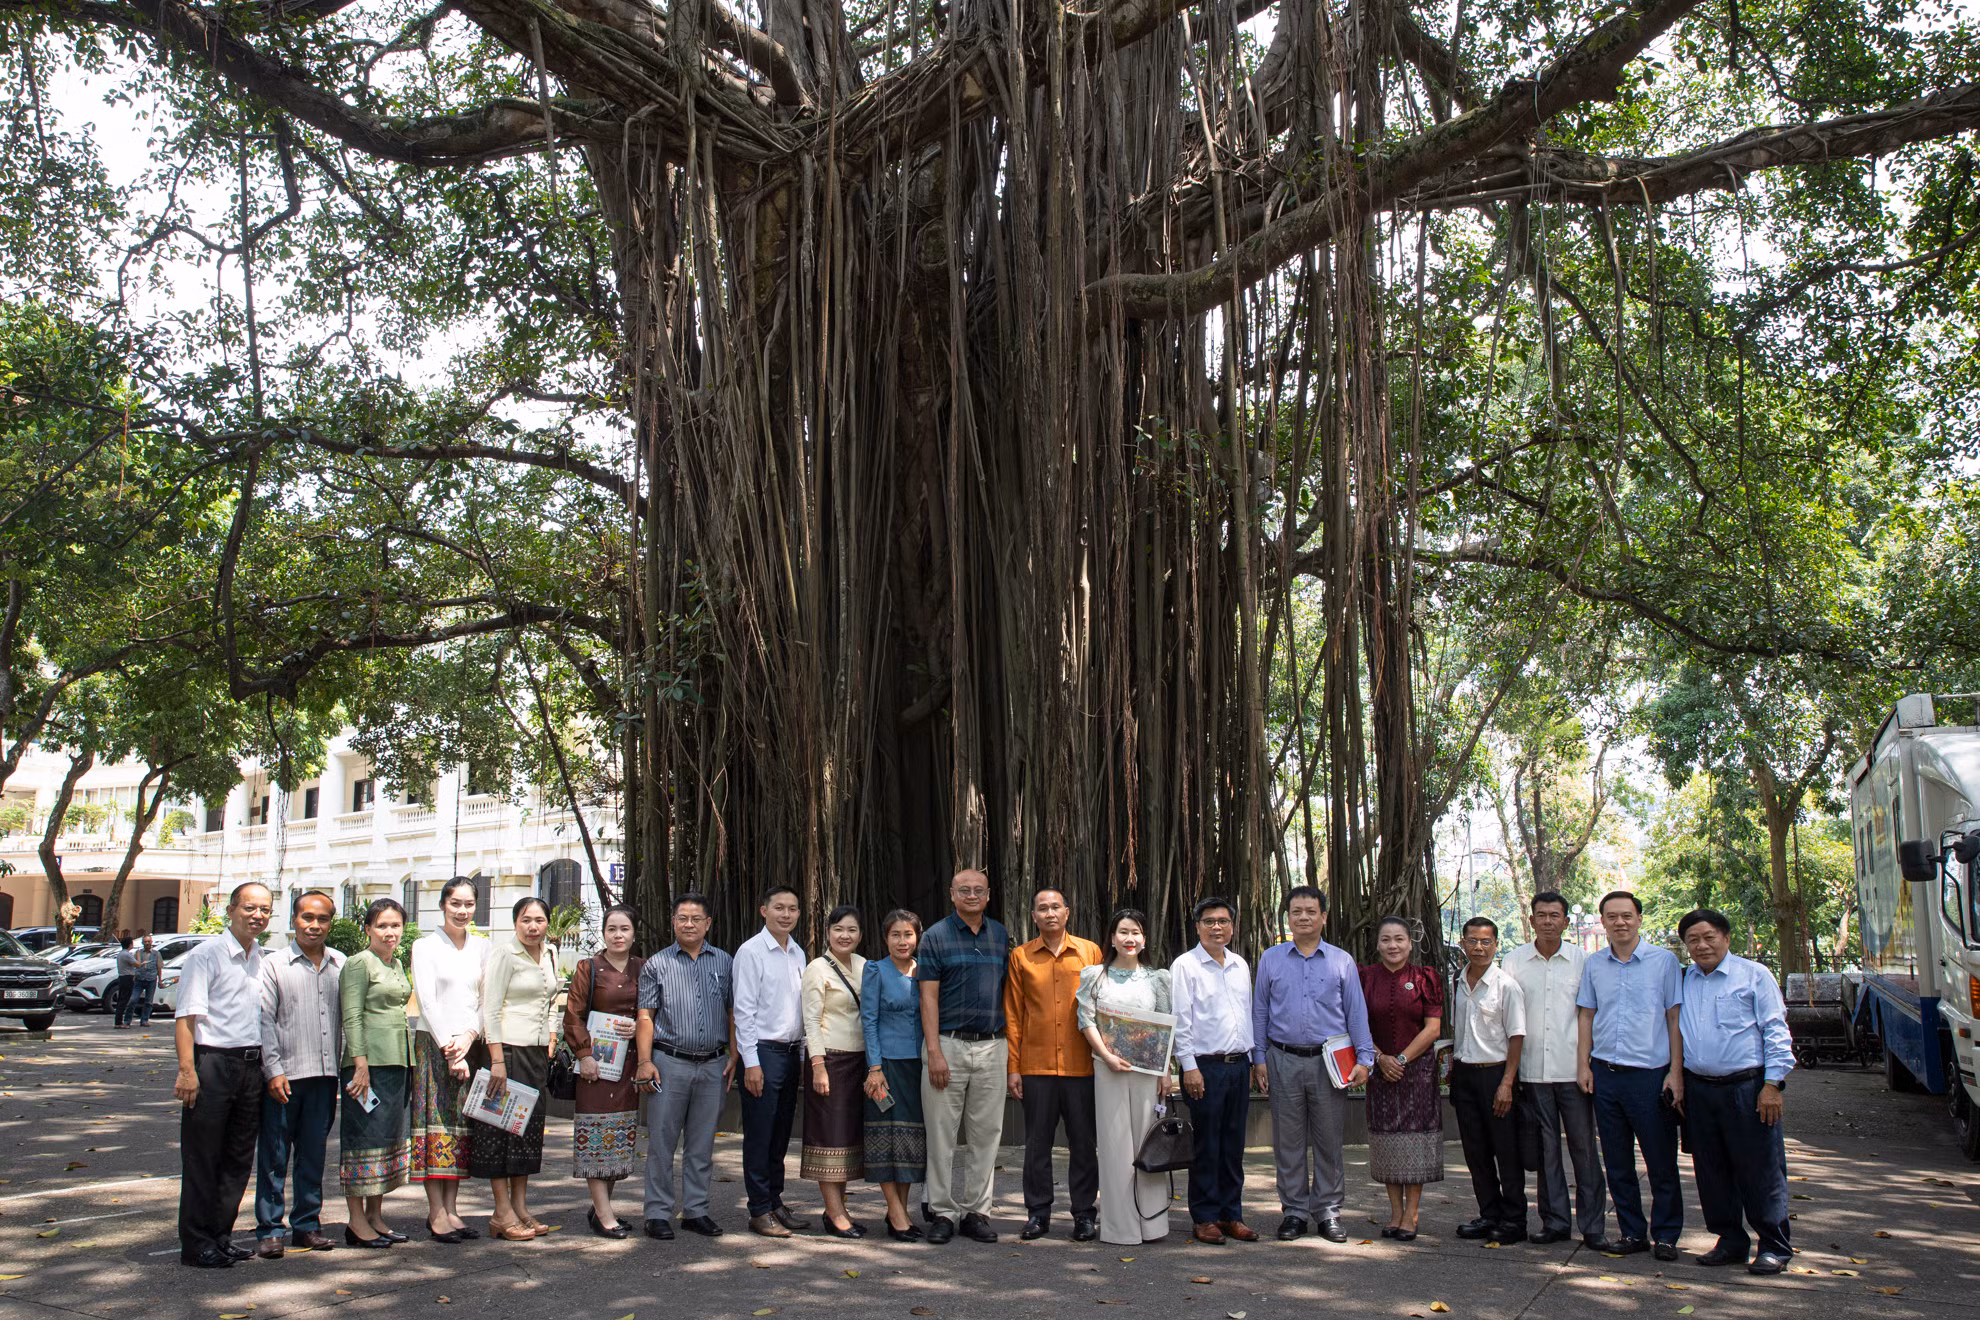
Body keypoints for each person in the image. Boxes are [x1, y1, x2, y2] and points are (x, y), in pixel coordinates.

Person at [1251, 884, 1372, 1243]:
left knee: (1329, 1140)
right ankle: (1294, 1212)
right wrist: (1259, 1058)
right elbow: (1259, 1011)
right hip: (1283, 1058)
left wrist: (1365, 1059)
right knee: (1287, 1142)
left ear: (1323, 917)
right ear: (1287, 918)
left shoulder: (1341, 960)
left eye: (1310, 911)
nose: (1303, 917)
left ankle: (1328, 1212)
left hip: (1329, 1063)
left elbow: (1356, 1012)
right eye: (1296, 912)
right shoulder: (1271, 958)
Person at [1676, 908, 1795, 1275]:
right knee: (1711, 1171)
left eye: (1709, 936)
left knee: (1760, 1170)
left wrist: (1773, 1085)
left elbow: (1776, 1031)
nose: (1701, 945)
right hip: (1699, 1089)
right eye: (1693, 939)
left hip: (1747, 1088)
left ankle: (1774, 1245)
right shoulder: (1685, 980)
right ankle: (1729, 1240)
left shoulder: (1754, 975)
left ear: (1726, 938)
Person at [1576, 890, 1684, 1260]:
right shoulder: (1594, 964)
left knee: (1660, 1161)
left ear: (1639, 918)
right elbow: (1586, 1016)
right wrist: (1583, 1066)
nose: (1619, 922)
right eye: (1612, 916)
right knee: (1618, 1161)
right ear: (1602, 921)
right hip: (1606, 1075)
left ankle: (1667, 1235)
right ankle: (1632, 1232)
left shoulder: (1663, 962)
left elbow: (1674, 1018)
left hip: (1650, 1077)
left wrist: (1675, 1071)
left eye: (1626, 915)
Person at [174, 882, 274, 1268]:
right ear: (231, 910)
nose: (258, 915)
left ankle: (220, 1235)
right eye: (250, 907)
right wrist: (187, 1071)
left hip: (252, 1067)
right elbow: (186, 1020)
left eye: (265, 909)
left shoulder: (261, 958)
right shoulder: (207, 956)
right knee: (203, 1157)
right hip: (213, 1063)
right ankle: (196, 1242)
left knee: (237, 1157)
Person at [1505, 891, 1611, 1249]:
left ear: (1566, 922)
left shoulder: (1585, 962)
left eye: (1555, 915)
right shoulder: (1514, 961)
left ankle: (1593, 1224)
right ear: (1531, 920)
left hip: (1574, 1071)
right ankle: (1555, 1222)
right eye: (1541, 915)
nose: (1548, 921)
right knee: (1546, 1150)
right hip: (1533, 1071)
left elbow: (1590, 1015)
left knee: (1584, 1149)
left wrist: (1587, 1065)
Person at [917, 868, 1012, 1245]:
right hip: (948, 1045)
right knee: (941, 1135)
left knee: (986, 1135)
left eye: (979, 890)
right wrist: (935, 1052)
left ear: (988, 895)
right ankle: (942, 1211)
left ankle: (977, 1211)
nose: (972, 895)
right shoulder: (935, 936)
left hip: (992, 1045)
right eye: (964, 890)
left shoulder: (1000, 935)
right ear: (951, 894)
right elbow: (928, 998)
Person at [1003, 888, 1104, 1242]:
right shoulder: (1021, 957)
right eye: (1042, 909)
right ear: (1033, 916)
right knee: (1037, 1144)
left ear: (1067, 912)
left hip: (1082, 1066)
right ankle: (1038, 1213)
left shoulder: (1090, 952)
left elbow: (1102, 1007)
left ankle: (1084, 1214)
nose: (1049, 913)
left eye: (1055, 907)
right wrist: (1013, 1067)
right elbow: (1014, 1015)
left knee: (1083, 1142)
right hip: (1036, 1066)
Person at [635, 892, 736, 1240]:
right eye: (682, 918)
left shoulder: (724, 962)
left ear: (708, 924)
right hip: (669, 1062)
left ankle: (696, 1210)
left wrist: (734, 1054)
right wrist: (645, 1061)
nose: (689, 924)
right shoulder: (657, 964)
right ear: (673, 922)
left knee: (702, 1142)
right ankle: (658, 1212)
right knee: (662, 1141)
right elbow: (645, 1016)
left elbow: (732, 1011)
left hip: (713, 1065)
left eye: (696, 919)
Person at [254, 890, 346, 1258]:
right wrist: (272, 1070)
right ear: (293, 920)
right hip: (285, 1076)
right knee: (275, 1156)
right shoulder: (273, 964)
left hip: (325, 1077)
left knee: (313, 1157)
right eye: (307, 917)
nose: (314, 925)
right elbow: (264, 1020)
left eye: (322, 919)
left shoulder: (341, 962)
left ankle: (307, 1224)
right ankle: (270, 1229)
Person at [1078, 908, 1174, 1246]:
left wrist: (1166, 1072)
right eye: (1122, 931)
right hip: (1109, 1070)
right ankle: (1120, 1227)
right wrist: (1106, 1055)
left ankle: (1153, 1225)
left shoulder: (1156, 979)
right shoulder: (1095, 976)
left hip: (1148, 1073)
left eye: (1135, 932)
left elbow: (1165, 1027)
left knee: (1148, 1145)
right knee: (1115, 1146)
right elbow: (1085, 1020)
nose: (1129, 938)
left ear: (1144, 939)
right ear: (1112, 937)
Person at [472, 895, 561, 1240]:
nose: (533, 927)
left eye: (539, 920)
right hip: (507, 1050)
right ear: (515, 923)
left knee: (526, 1130)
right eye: (526, 920)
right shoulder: (504, 954)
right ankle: (501, 1211)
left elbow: (551, 998)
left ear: (547, 924)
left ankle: (521, 1206)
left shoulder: (549, 953)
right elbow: (490, 1009)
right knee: (501, 1128)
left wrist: (551, 1035)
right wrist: (496, 1060)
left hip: (537, 1052)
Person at [1171, 895, 1257, 1246]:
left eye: (1223, 921)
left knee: (1234, 1144)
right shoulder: (1185, 966)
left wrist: (1253, 1060)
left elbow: (1247, 1015)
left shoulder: (1240, 965)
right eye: (1209, 921)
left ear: (1233, 926)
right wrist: (1188, 1067)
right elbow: (1181, 1021)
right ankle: (1205, 1216)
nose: (1217, 927)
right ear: (1197, 926)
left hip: (1239, 1065)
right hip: (1204, 1067)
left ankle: (1231, 1214)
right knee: (1207, 1143)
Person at [409, 876, 489, 1241]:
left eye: (469, 904)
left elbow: (485, 1000)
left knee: (460, 1128)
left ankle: (453, 1210)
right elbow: (427, 1002)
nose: (462, 911)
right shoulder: (425, 947)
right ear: (443, 904)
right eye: (455, 903)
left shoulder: (482, 948)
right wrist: (449, 1047)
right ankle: (435, 1212)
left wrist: (469, 1037)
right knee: (435, 1126)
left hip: (469, 1044)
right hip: (435, 1044)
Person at [1357, 916, 1444, 1242]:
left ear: (1410, 943)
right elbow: (1357, 1024)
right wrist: (1380, 1058)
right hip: (1379, 1071)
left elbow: (1432, 1028)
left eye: (1399, 940)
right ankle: (1395, 1212)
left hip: (1416, 1073)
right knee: (1386, 1141)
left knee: (1415, 1142)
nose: (1392, 946)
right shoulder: (1364, 977)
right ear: (1377, 944)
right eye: (1386, 940)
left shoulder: (1425, 978)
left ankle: (1412, 1213)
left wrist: (1402, 1059)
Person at [734, 884, 811, 1238]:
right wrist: (751, 1062)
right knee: (760, 1135)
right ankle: (758, 1208)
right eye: (779, 907)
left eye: (792, 908)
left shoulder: (798, 953)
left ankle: (775, 1200)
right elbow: (743, 1011)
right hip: (762, 1052)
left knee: (780, 1135)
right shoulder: (751, 953)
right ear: (763, 910)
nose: (786, 914)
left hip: (790, 1053)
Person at [566, 905, 646, 1238]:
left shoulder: (643, 968)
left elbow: (652, 1010)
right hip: (596, 1067)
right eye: (611, 929)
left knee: (618, 1139)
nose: (618, 935)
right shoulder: (589, 968)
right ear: (603, 933)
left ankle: (601, 1208)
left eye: (624, 929)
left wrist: (639, 1028)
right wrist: (584, 1053)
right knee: (595, 1137)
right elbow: (573, 1014)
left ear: (633, 933)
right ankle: (604, 1214)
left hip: (627, 1065)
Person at [338, 897, 413, 1248]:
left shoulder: (396, 964)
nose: (389, 932)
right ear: (367, 929)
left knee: (386, 1141)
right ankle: (355, 1221)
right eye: (382, 925)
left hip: (398, 1061)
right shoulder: (359, 964)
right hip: (367, 1067)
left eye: (395, 925)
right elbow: (352, 1016)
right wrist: (360, 1064)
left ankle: (375, 1215)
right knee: (362, 1140)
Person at [1450, 916, 1527, 1245]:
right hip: (1465, 1075)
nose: (1478, 947)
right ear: (1463, 943)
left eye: (1486, 942)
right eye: (1472, 941)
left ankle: (1514, 1219)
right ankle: (1489, 1213)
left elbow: (1517, 1036)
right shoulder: (1458, 980)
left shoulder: (1505, 986)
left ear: (1496, 945)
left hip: (1495, 1074)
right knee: (1475, 1151)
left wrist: (1507, 1083)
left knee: (1505, 1151)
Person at [802, 905, 869, 1236]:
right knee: (829, 1137)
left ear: (860, 934)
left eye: (852, 930)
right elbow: (811, 1020)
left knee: (847, 1139)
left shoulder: (865, 966)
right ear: (828, 932)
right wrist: (818, 1066)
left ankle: (840, 1209)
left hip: (859, 1062)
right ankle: (834, 1213)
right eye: (839, 929)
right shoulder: (817, 968)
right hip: (829, 1059)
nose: (846, 935)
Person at [862, 909, 927, 1242]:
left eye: (908, 935)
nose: (903, 941)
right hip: (886, 1067)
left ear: (918, 937)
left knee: (909, 1141)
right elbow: (868, 1021)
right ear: (886, 938)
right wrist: (874, 1068)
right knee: (886, 1140)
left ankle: (897, 1211)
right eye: (895, 935)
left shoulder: (925, 970)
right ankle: (898, 1215)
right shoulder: (876, 971)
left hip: (920, 1066)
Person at [131, 931, 163, 1027]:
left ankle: (144, 1020)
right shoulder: (138, 953)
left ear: (151, 942)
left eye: (149, 941)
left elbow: (159, 967)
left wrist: (160, 980)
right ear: (142, 943)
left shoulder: (156, 954)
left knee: (148, 1002)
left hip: (151, 979)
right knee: (133, 1000)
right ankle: (127, 1020)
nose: (147, 943)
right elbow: (134, 965)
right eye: (145, 942)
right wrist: (134, 975)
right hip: (139, 979)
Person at [111, 935, 139, 1028]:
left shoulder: (121, 954)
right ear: (129, 944)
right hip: (127, 978)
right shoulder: (127, 954)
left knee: (121, 999)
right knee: (124, 1000)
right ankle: (119, 1022)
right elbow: (137, 964)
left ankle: (118, 1021)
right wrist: (140, 959)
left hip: (122, 977)